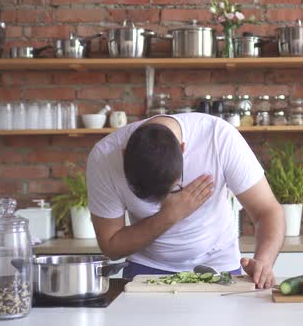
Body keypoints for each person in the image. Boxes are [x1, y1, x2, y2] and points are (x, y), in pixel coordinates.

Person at [87, 113, 285, 288]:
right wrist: (169, 215)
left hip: (219, 269)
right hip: (146, 271)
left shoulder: (219, 137)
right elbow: (111, 247)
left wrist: (264, 262)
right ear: (123, 154)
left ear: (183, 150)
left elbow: (267, 210)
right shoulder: (104, 157)